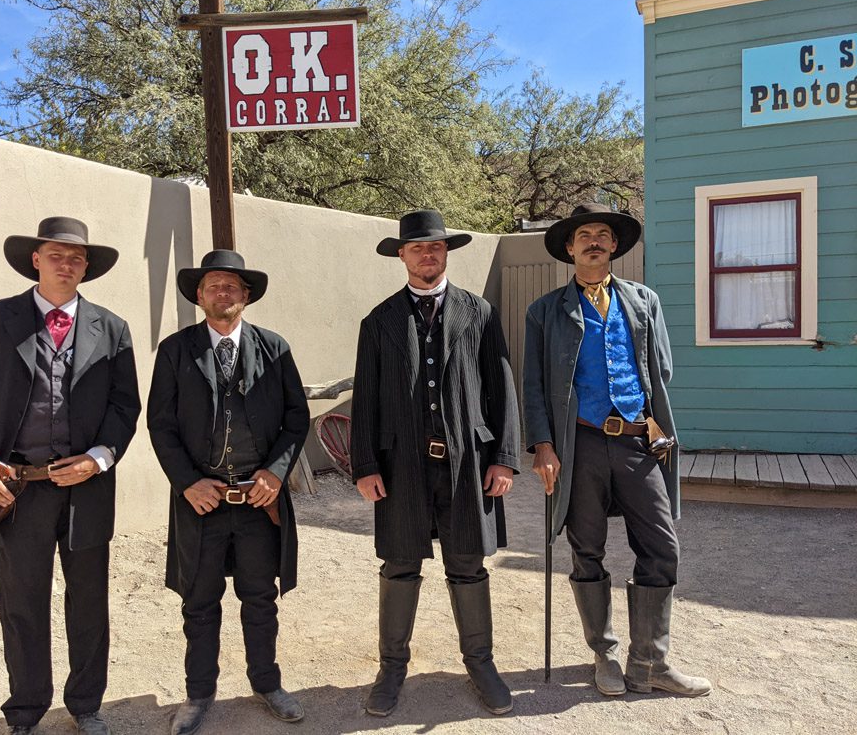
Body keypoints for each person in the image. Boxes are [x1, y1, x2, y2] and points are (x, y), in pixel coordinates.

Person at [0, 217, 141, 735]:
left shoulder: (112, 328)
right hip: (17, 489)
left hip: (86, 489)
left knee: (89, 602)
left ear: (86, 268)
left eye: (76, 258)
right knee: (22, 603)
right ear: (36, 259)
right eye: (56, 254)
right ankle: (27, 710)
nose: (67, 264)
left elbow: (125, 408)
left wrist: (99, 457)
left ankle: (86, 705)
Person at [522, 202, 711, 697]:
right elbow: (534, 386)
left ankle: (649, 663)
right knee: (587, 550)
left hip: (637, 445)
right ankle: (603, 656)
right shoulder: (544, 311)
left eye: (603, 234)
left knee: (661, 546)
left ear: (614, 246)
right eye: (584, 234)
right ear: (569, 247)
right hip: (579, 444)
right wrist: (543, 444)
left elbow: (660, 369)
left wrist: (644, 418)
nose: (594, 241)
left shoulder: (643, 300)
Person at [350, 209, 521, 717]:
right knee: (400, 563)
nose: (429, 255)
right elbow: (366, 400)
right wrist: (364, 465)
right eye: (419, 248)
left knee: (467, 563)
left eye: (437, 247)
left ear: (447, 253)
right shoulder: (379, 322)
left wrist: (506, 459)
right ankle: (391, 668)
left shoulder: (479, 313)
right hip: (400, 465)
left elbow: (502, 387)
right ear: (401, 255)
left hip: (468, 461)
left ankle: (482, 664)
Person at [146, 249, 310, 735]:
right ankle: (199, 693)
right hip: (201, 502)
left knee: (260, 597)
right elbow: (160, 425)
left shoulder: (274, 348)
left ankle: (267, 682)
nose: (223, 291)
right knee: (199, 602)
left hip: (259, 503)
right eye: (214, 284)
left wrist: (276, 473)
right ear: (199, 295)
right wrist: (187, 482)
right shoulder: (176, 351)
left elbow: (296, 418)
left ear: (246, 296)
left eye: (232, 285)